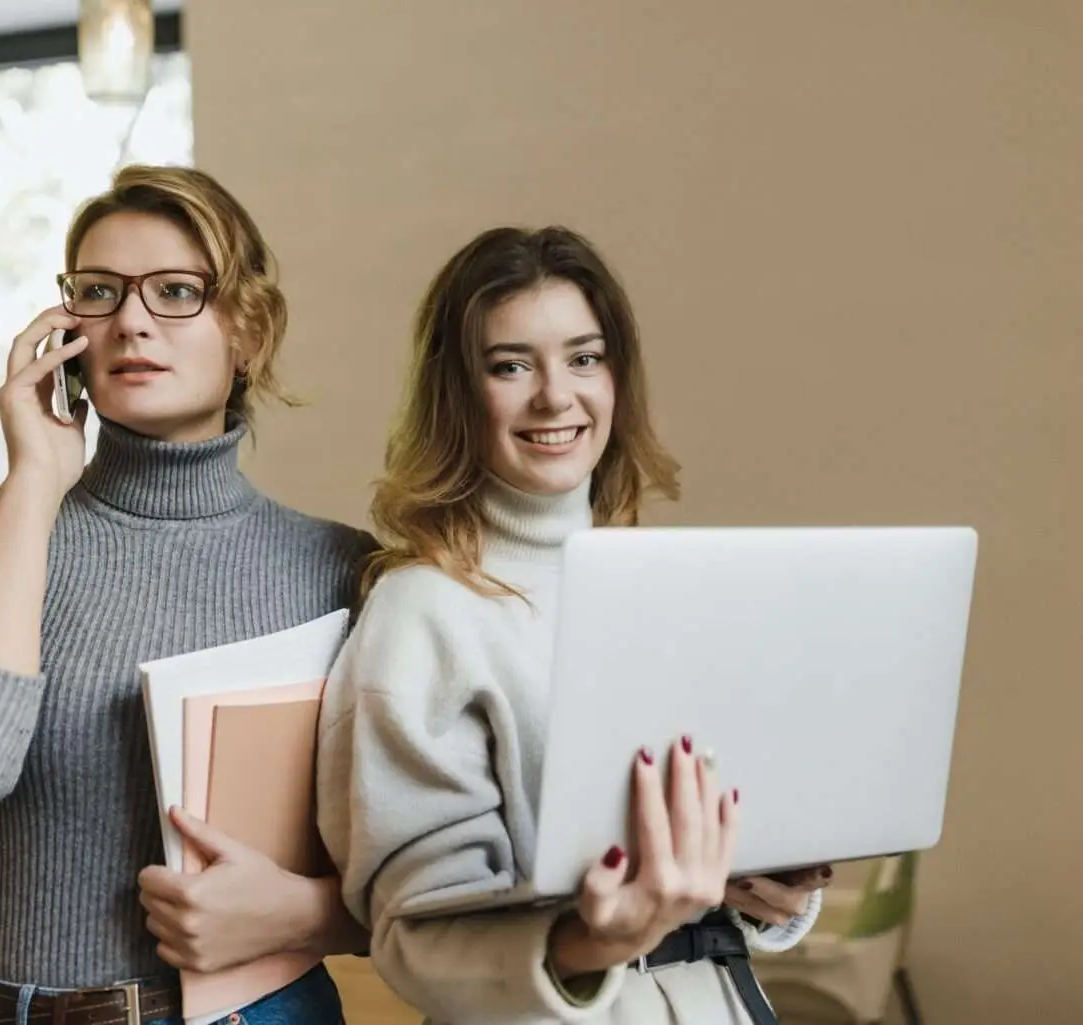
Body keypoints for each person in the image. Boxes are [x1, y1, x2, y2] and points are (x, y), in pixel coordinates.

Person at [0, 164, 373, 1025]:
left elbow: (427, 884)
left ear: (247, 331)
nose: (132, 319)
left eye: (176, 290)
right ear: (67, 329)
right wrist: (36, 480)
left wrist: (305, 913)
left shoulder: (339, 570)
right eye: (100, 292)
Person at [315, 225, 829, 1025]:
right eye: (511, 364)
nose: (557, 395)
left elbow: (704, 860)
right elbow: (413, 936)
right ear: (458, 391)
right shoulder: (424, 612)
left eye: (584, 357)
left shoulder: (664, 583)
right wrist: (590, 937)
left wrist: (764, 890)